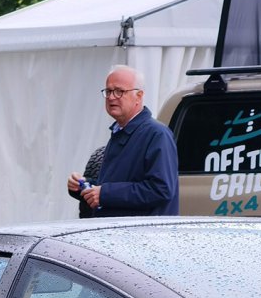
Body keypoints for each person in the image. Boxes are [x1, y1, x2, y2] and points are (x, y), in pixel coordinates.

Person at [68, 65, 179, 217]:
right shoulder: (119, 131)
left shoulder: (157, 134)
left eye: (119, 91)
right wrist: (84, 186)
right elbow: (117, 184)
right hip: (118, 235)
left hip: (143, 236)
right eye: (108, 91)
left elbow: (161, 189)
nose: (111, 97)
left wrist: (105, 194)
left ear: (139, 96)